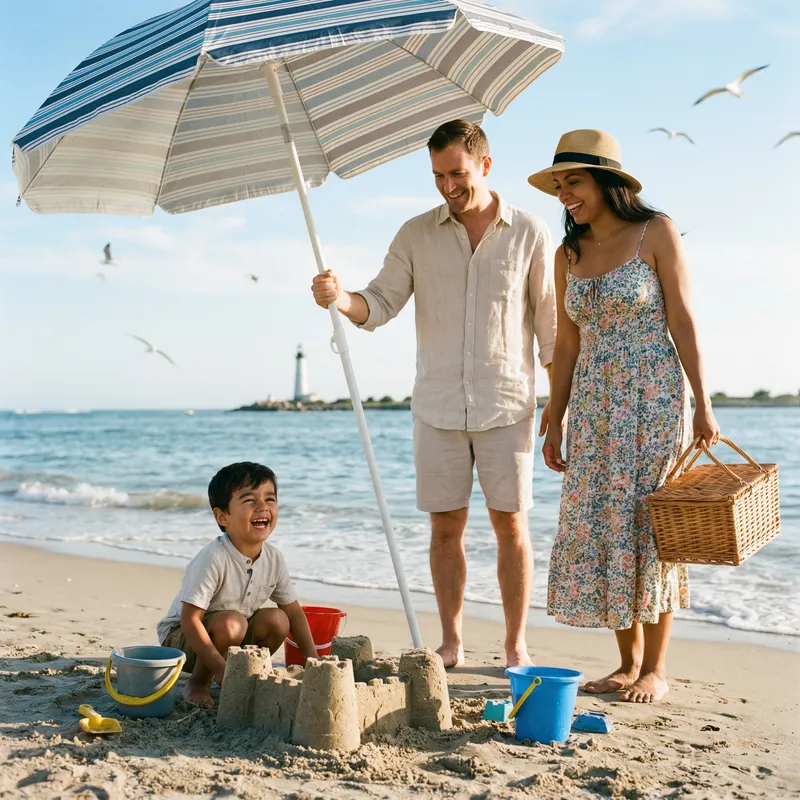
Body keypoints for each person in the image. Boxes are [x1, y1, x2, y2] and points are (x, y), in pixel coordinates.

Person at [311, 120, 557, 668]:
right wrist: (338, 297)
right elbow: (376, 305)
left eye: (458, 174)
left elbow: (551, 330)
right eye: (438, 176)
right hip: (438, 407)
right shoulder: (414, 234)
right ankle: (451, 641)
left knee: (510, 525)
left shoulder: (531, 232)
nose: (448, 186)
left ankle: (516, 644)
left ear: (486, 166)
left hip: (509, 404)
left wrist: (561, 407)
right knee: (446, 527)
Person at [529, 129, 720, 703]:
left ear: (608, 182)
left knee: (650, 528)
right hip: (592, 406)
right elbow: (566, 342)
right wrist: (554, 414)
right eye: (559, 184)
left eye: (574, 182)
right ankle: (625, 661)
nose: (564, 194)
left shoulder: (654, 231)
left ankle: (656, 669)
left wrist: (705, 402)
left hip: (653, 400)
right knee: (604, 525)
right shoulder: (569, 253)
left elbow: (683, 320)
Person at [157, 462, 317, 707]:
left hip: (232, 634)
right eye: (250, 501)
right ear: (223, 517)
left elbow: (293, 612)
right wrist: (220, 669)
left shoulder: (274, 558)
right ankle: (198, 684)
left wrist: (312, 659)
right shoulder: (214, 558)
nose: (263, 507)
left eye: (270, 499)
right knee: (233, 623)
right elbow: (190, 620)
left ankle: (247, 672)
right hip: (183, 641)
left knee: (278, 620)